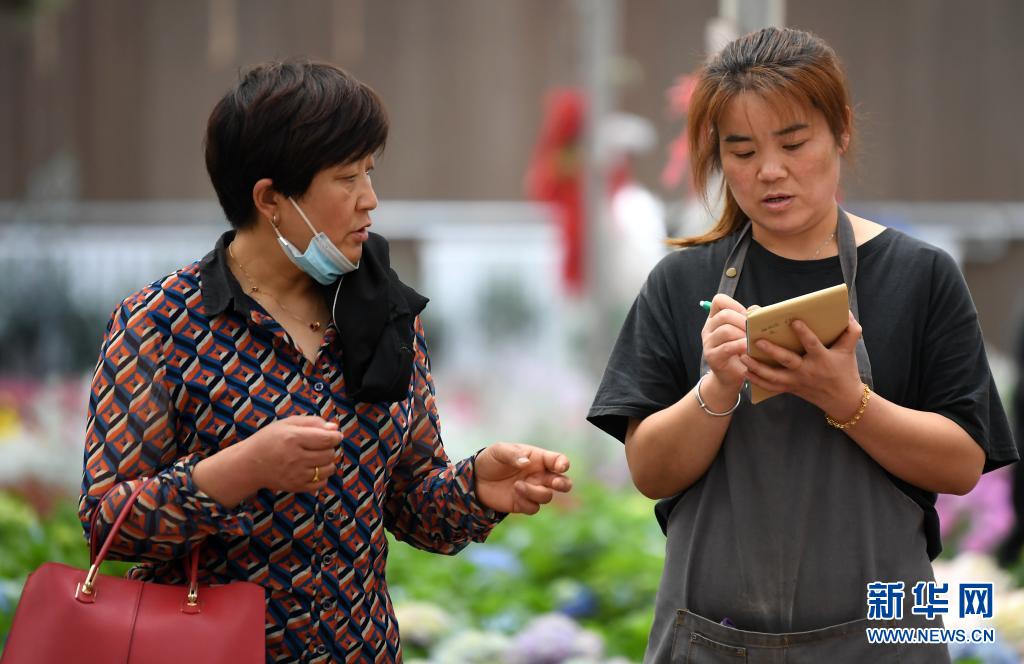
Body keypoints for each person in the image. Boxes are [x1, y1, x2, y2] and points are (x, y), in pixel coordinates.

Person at [78, 61, 572, 663]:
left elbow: (412, 505)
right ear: (270, 199)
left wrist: (477, 487)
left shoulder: (384, 311)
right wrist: (242, 468)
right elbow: (108, 525)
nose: (370, 200)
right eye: (346, 178)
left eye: (369, 172)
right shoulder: (160, 324)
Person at [588, 27, 1016, 662]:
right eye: (741, 151)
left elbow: (960, 466)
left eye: (793, 143)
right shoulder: (681, 283)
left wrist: (847, 399)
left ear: (840, 129)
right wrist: (717, 387)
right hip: (713, 637)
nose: (769, 171)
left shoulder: (921, 276)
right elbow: (650, 473)